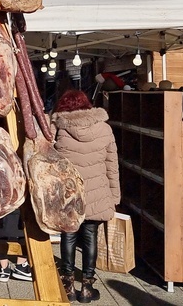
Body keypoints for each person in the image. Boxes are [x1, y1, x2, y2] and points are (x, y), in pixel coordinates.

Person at [52, 88, 119, 302]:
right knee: (90, 237)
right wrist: (114, 195)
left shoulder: (59, 130)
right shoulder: (105, 129)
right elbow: (112, 165)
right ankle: (88, 288)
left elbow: (52, 164)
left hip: (69, 193)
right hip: (97, 191)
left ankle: (68, 285)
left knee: (68, 235)